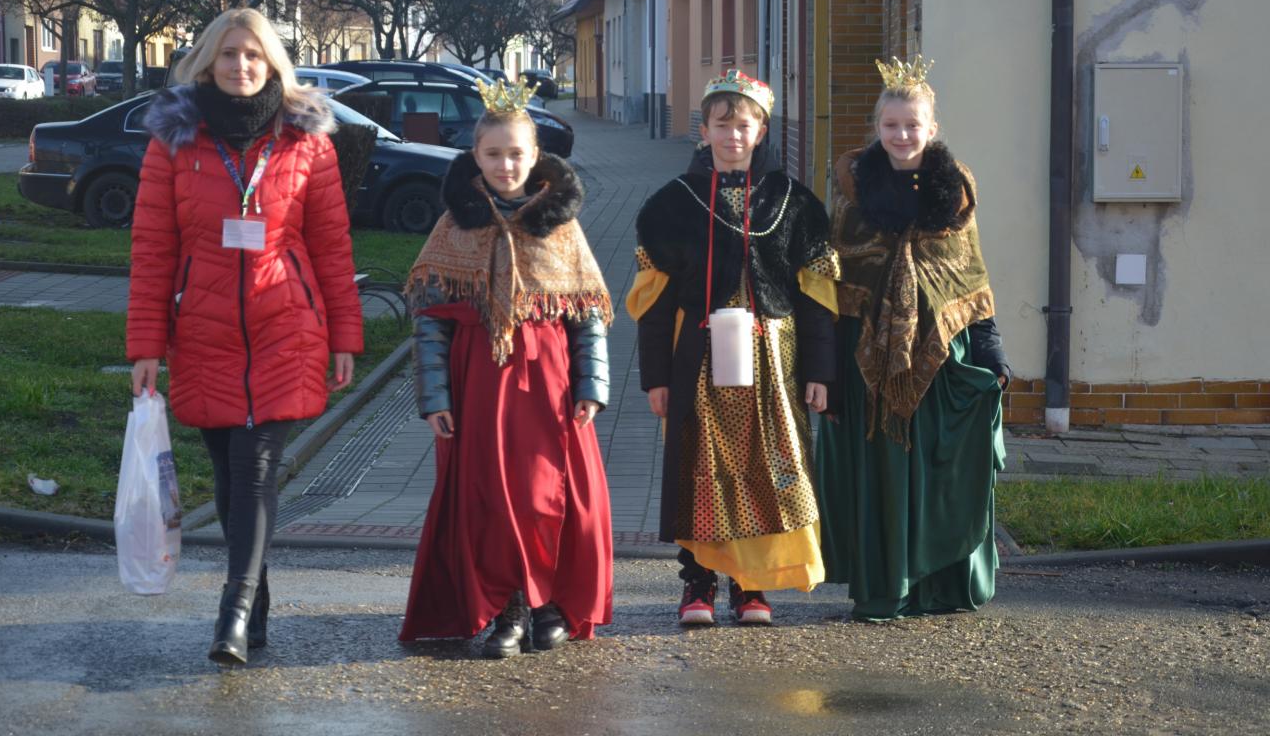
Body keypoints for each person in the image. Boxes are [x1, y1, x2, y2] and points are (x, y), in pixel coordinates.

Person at [127, 8, 363, 665]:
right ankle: (254, 602)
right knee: (229, 481)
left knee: (255, 470)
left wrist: (345, 335)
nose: (241, 66)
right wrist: (145, 346)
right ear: (208, 61)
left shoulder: (307, 140)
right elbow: (152, 248)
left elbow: (332, 247)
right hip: (203, 333)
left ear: (272, 62)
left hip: (286, 328)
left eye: (254, 55)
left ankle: (231, 614)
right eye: (229, 54)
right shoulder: (175, 140)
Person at [398, 78, 614, 658]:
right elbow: (430, 321)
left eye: (516, 153)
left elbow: (587, 314)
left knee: (547, 493)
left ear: (536, 156)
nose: (505, 165)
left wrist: (592, 386)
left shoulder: (560, 226)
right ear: (475, 155)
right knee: (490, 498)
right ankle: (508, 607)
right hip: (478, 383)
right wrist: (435, 398)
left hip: (550, 384)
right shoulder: (453, 225)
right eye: (492, 154)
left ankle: (549, 603)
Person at [628, 70, 839, 626]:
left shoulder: (794, 203)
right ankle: (698, 581)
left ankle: (752, 586)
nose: (732, 136)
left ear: (761, 130)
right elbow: (652, 303)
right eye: (721, 126)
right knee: (701, 466)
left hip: (774, 362)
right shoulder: (672, 205)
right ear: (704, 130)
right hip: (697, 360)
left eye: (743, 126)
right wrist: (656, 378)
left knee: (769, 467)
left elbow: (817, 297)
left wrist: (820, 370)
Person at [815, 55, 1010, 621]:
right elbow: (832, 278)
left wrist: (992, 351)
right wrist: (823, 368)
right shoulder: (851, 190)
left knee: (936, 470)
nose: (902, 135)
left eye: (912, 125)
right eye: (891, 125)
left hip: (940, 358)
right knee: (879, 476)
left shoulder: (955, 192)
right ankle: (885, 587)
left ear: (932, 128)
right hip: (865, 358)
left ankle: (940, 585)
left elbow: (971, 278)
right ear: (877, 127)